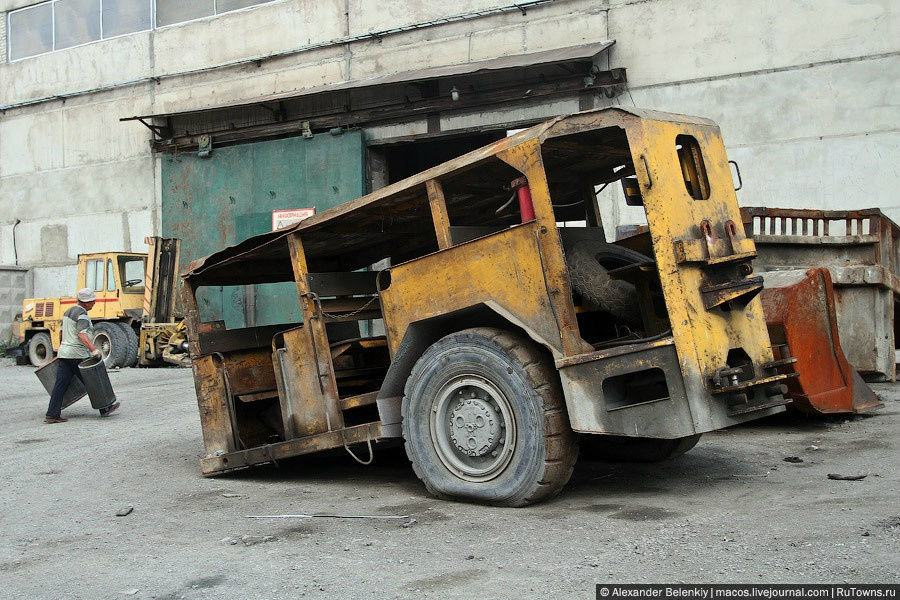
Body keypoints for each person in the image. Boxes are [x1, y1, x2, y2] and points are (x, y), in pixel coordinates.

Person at [44, 287, 121, 423]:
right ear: (86, 302)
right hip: (77, 355)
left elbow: (61, 333)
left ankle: (52, 414)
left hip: (65, 354)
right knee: (93, 382)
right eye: (92, 301)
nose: (94, 303)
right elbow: (81, 334)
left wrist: (61, 349)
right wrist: (94, 350)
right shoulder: (82, 314)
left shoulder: (68, 311)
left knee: (60, 385)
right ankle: (105, 408)